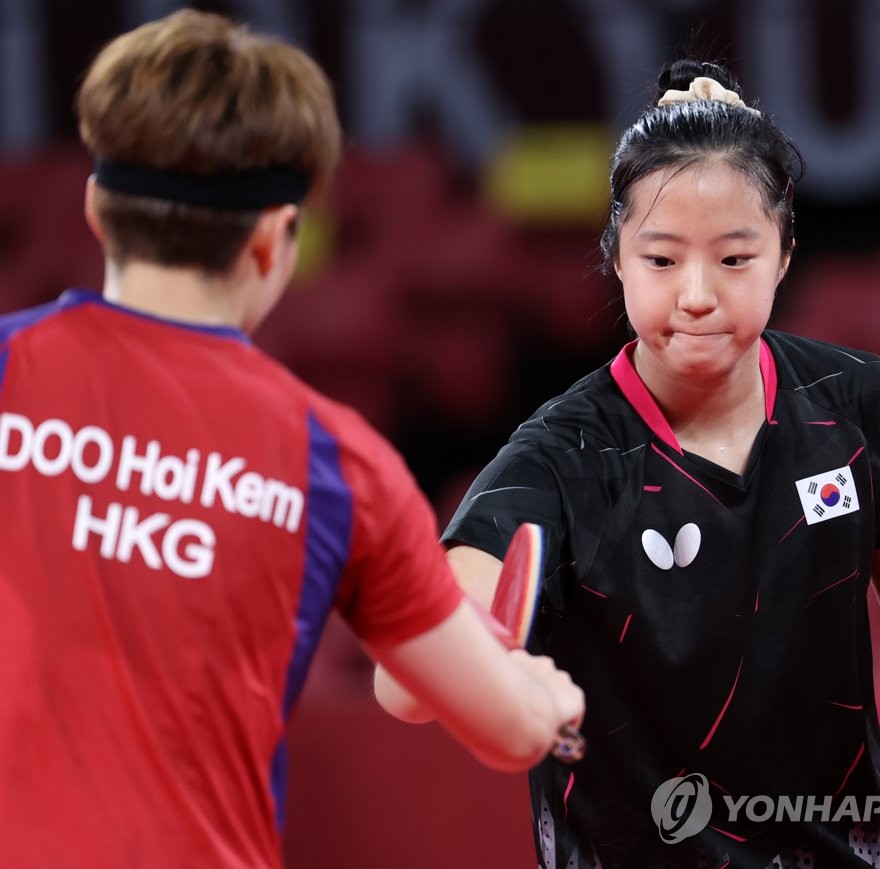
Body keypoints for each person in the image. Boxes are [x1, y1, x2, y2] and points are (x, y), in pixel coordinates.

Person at [0, 10, 584, 868]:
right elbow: (505, 730)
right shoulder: (337, 462)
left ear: (95, 208)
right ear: (278, 239)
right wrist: (544, 695)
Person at [375, 59, 880, 867]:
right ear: (617, 259)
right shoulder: (560, 461)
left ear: (784, 255)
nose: (696, 294)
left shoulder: (861, 401)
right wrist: (459, 661)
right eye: (661, 260)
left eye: (734, 259)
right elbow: (407, 680)